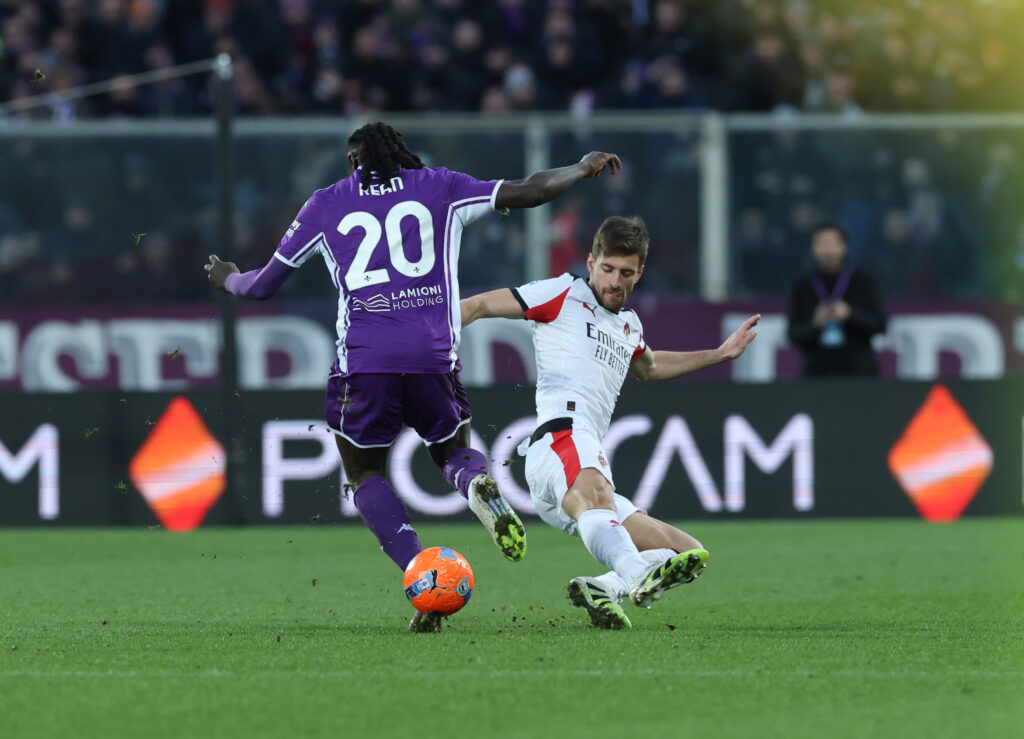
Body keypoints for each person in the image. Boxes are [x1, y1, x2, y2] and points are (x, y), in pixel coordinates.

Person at [205, 121, 623, 632]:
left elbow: (263, 286)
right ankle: (477, 487)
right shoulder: (440, 186)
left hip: (365, 362)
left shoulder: (326, 203)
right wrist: (581, 168)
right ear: (403, 155)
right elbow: (531, 190)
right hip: (433, 355)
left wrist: (227, 277)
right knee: (450, 451)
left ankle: (422, 576)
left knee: (365, 475)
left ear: (353, 163)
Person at [460, 216, 759, 629]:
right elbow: (476, 306)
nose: (614, 281)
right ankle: (636, 576)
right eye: (607, 269)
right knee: (601, 498)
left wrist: (719, 354)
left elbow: (650, 367)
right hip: (560, 438)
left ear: (640, 274)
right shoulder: (562, 292)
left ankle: (603, 587)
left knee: (686, 554)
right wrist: (422, 335)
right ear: (591, 262)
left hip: (576, 467)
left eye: (625, 273)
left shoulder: (628, 325)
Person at [787, 222, 888, 378]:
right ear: (812, 248)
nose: (828, 250)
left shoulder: (862, 282)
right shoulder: (802, 286)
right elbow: (793, 333)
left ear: (844, 247)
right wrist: (815, 323)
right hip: (816, 373)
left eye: (833, 243)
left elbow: (880, 324)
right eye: (822, 244)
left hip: (859, 373)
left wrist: (850, 316)